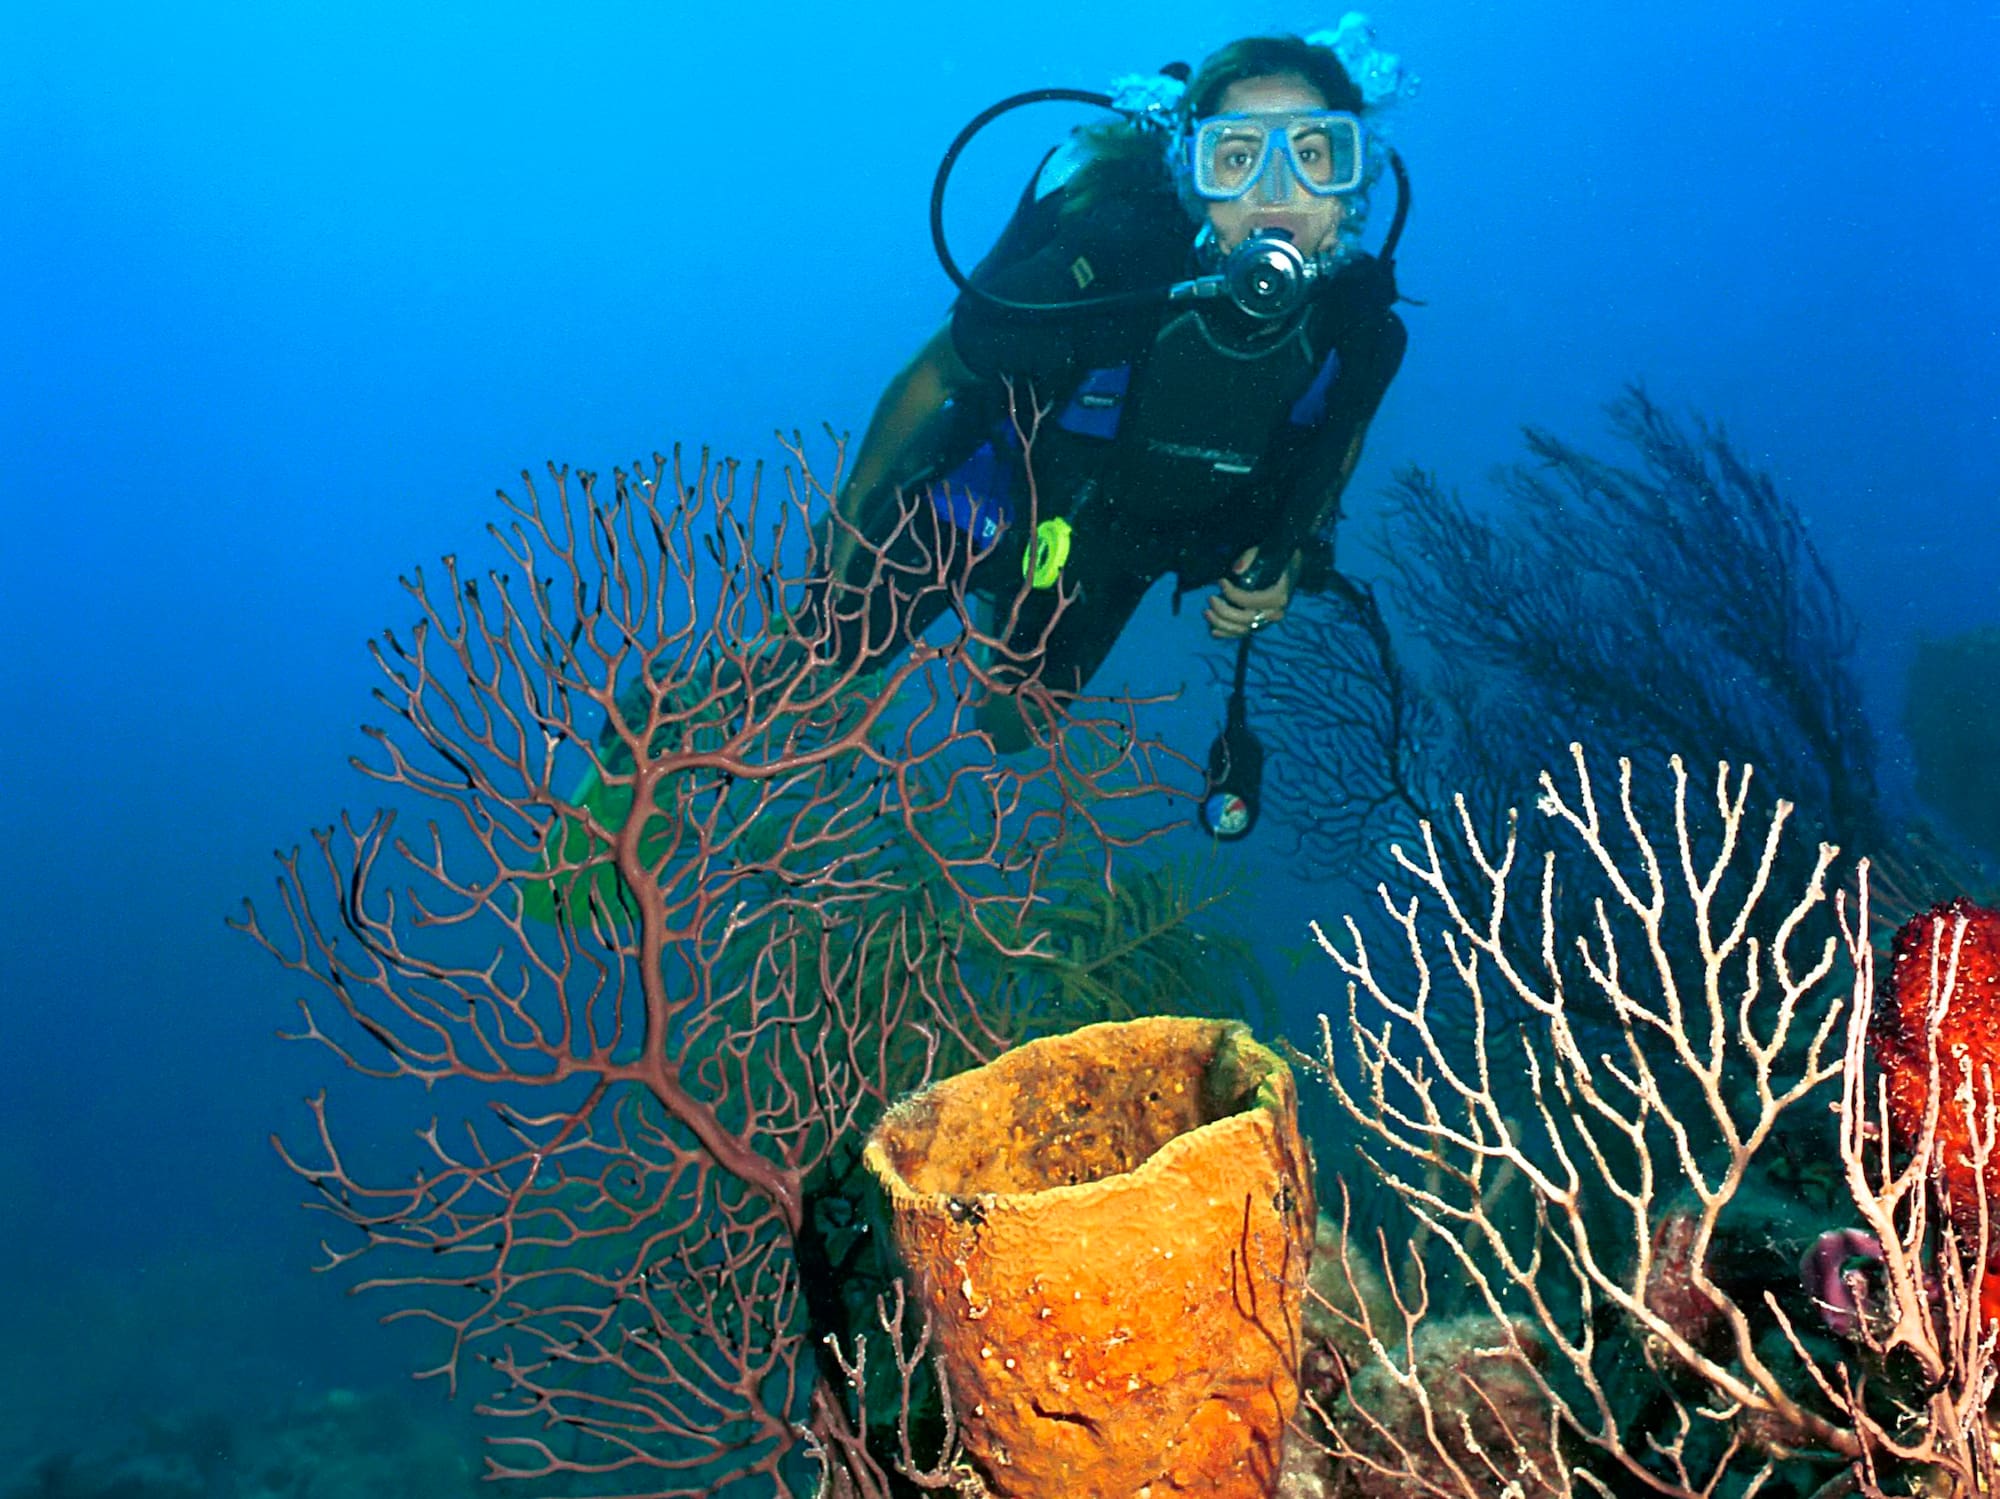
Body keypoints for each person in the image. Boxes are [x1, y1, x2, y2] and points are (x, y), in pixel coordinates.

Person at [820, 33, 1407, 751]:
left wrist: (1286, 558)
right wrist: (845, 522)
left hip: (1125, 542)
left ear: (1353, 180)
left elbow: (1340, 439)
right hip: (1004, 485)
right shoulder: (1115, 260)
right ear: (1197, 181)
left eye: (1313, 155)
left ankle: (1012, 609)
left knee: (1009, 731)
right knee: (827, 649)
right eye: (1237, 157)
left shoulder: (1360, 328)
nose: (1276, 189)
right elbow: (935, 371)